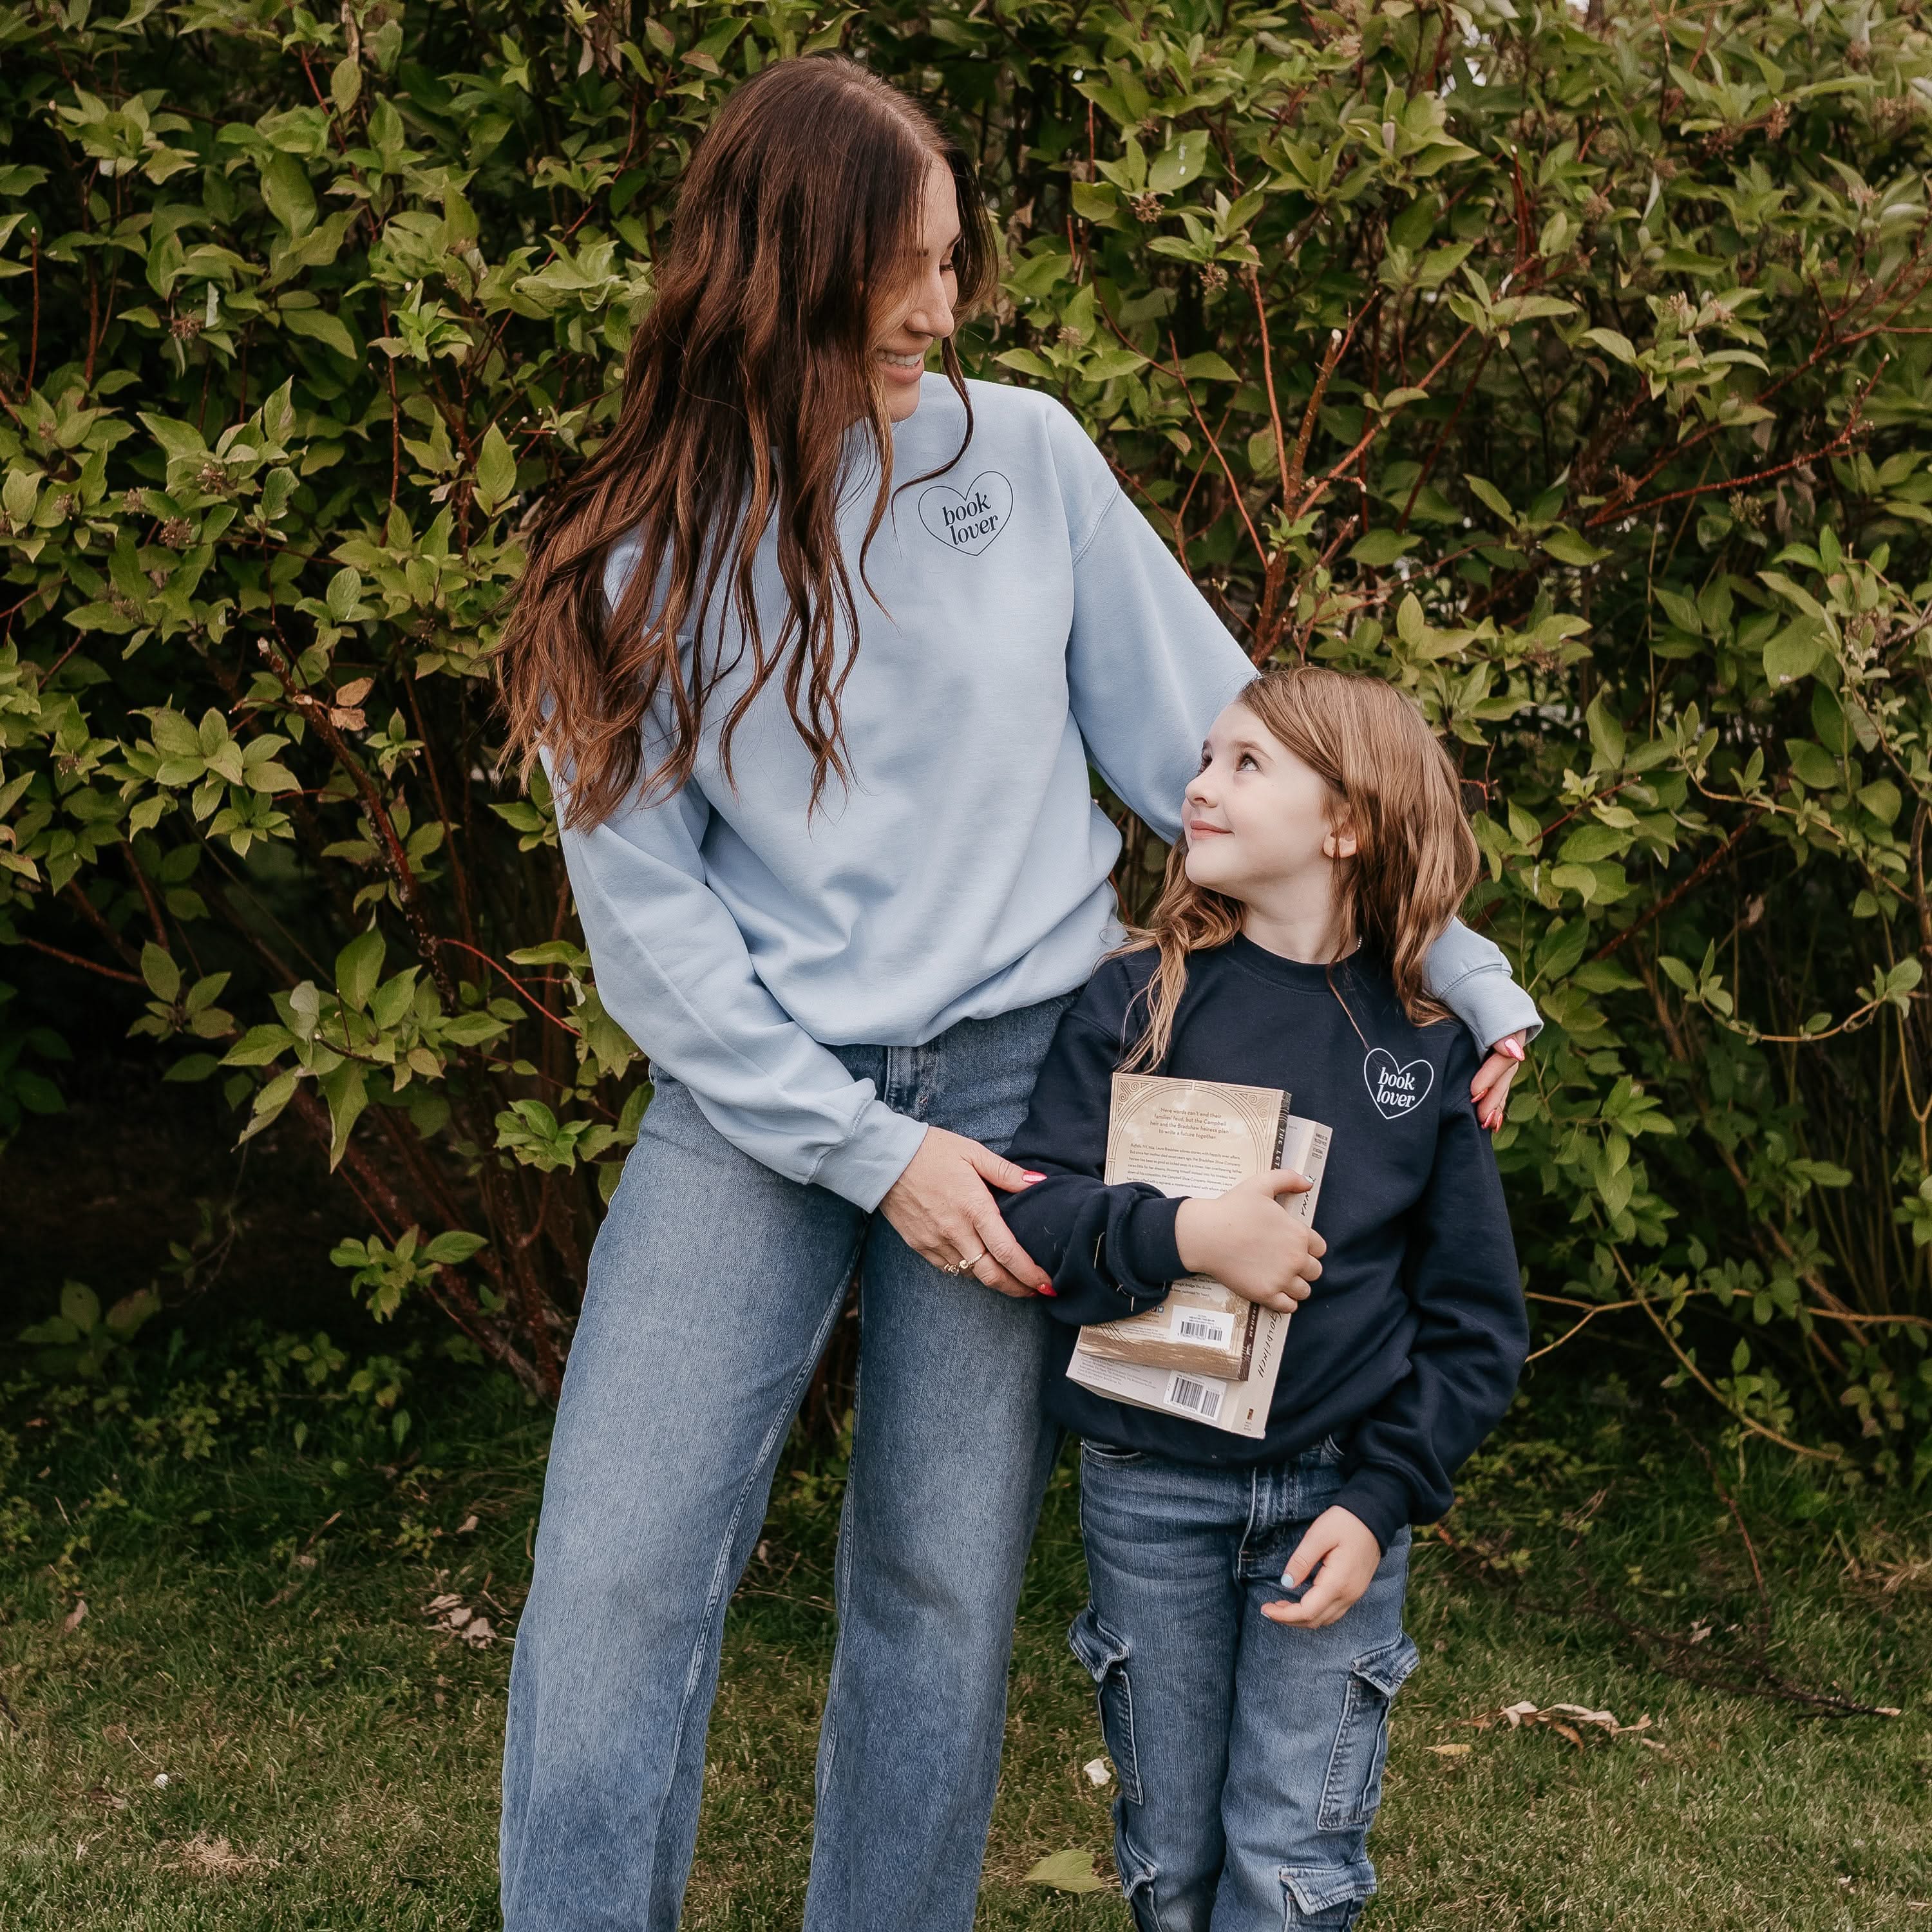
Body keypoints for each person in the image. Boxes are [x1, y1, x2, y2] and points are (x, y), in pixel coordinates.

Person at [494, 54, 1536, 1932]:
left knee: (939, 1591)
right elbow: (652, 935)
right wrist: (864, 1149)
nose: (944, 309)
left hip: (1034, 1092)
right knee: (622, 1572)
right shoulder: (631, 564)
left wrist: (1454, 969)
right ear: (785, 264)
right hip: (763, 1105)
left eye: (955, 261)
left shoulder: (1022, 458)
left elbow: (1217, 738)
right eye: (908, 267)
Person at [999, 665, 1531, 1932]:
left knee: (1291, 1873)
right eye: (1202, 759)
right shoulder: (1136, 1002)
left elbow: (1475, 1326)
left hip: (1334, 1499)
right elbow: (1034, 1215)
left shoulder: (1421, 1045)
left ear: (1345, 823)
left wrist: (1383, 1495)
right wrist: (1190, 1234)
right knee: (1172, 1871)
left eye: (1248, 765)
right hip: (1150, 1490)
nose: (1198, 785)